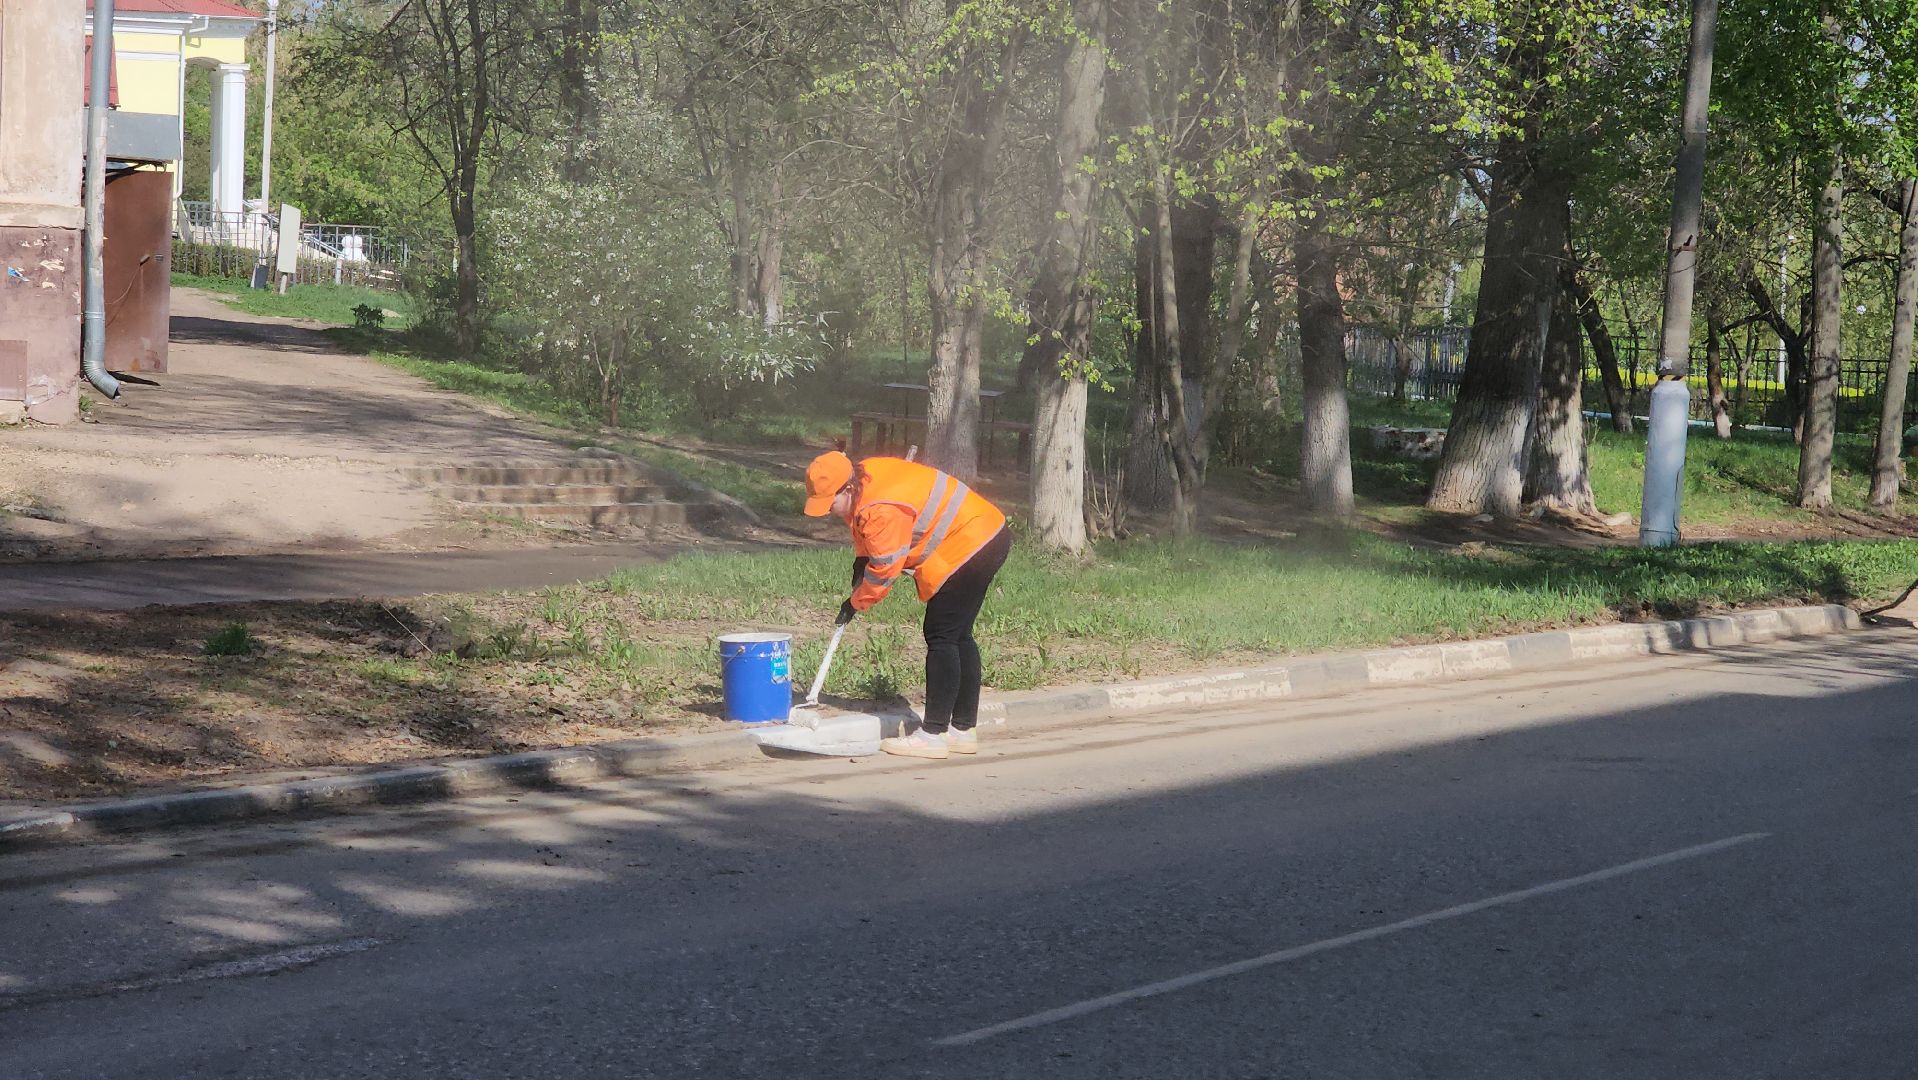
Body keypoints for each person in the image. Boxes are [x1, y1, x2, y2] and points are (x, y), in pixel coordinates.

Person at [802, 449, 1011, 760]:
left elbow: (886, 567)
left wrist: (857, 601)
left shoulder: (882, 509)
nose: (829, 510)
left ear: (847, 488)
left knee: (941, 635)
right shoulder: (866, 475)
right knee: (957, 634)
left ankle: (933, 735)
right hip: (988, 532)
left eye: (830, 502)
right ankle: (962, 730)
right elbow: (863, 527)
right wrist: (861, 563)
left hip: (970, 543)